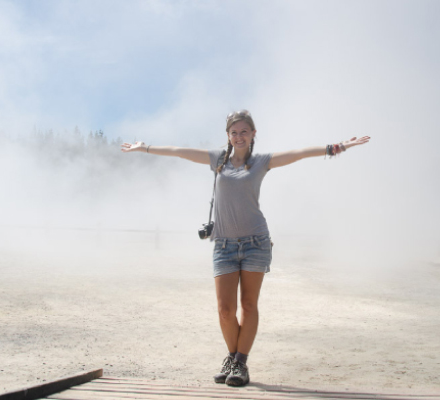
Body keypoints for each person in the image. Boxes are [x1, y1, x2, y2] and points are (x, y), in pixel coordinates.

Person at [121, 110, 370, 387]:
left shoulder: (262, 162)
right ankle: (231, 357)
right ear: (228, 136)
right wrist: (145, 148)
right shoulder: (218, 160)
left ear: (253, 135)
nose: (239, 136)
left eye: (244, 131)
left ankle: (240, 363)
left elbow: (298, 153)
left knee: (248, 305)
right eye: (234, 132)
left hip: (255, 243)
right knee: (225, 310)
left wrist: (337, 147)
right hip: (224, 245)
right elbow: (181, 152)